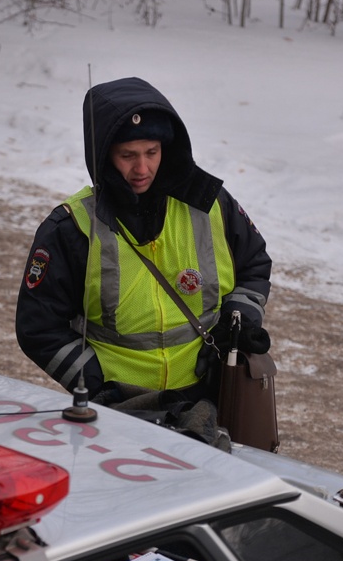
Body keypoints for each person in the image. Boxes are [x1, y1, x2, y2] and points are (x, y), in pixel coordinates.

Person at [15, 76, 271, 443]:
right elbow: (37, 326)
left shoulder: (209, 203)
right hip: (115, 407)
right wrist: (94, 380)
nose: (142, 169)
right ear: (103, 155)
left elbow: (254, 264)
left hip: (207, 396)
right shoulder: (71, 226)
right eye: (128, 156)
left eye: (152, 152)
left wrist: (239, 322)